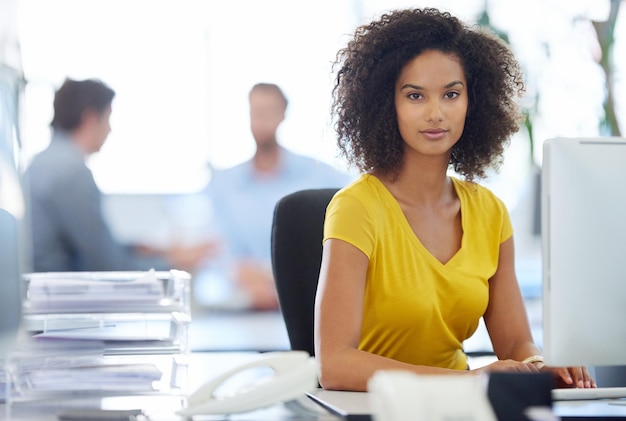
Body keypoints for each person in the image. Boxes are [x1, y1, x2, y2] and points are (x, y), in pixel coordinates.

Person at [314, 8, 595, 392]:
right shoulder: (356, 208)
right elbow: (335, 365)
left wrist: (540, 366)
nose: (436, 113)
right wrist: (467, 382)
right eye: (415, 96)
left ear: (473, 101)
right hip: (373, 409)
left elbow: (514, 343)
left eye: (451, 94)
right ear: (385, 104)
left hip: (459, 407)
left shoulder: (489, 211)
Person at [24, 78, 216, 273]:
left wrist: (140, 250)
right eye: (108, 118)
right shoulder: (71, 172)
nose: (110, 129)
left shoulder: (44, 162)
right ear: (90, 119)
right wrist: (176, 265)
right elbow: (109, 268)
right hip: (57, 295)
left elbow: (94, 247)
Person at [201, 82, 352, 311]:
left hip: (306, 297)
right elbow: (218, 248)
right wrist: (243, 277)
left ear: (282, 115)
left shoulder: (319, 176)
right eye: (255, 112)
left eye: (268, 112)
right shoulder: (224, 184)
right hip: (243, 300)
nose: (261, 120)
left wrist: (276, 280)